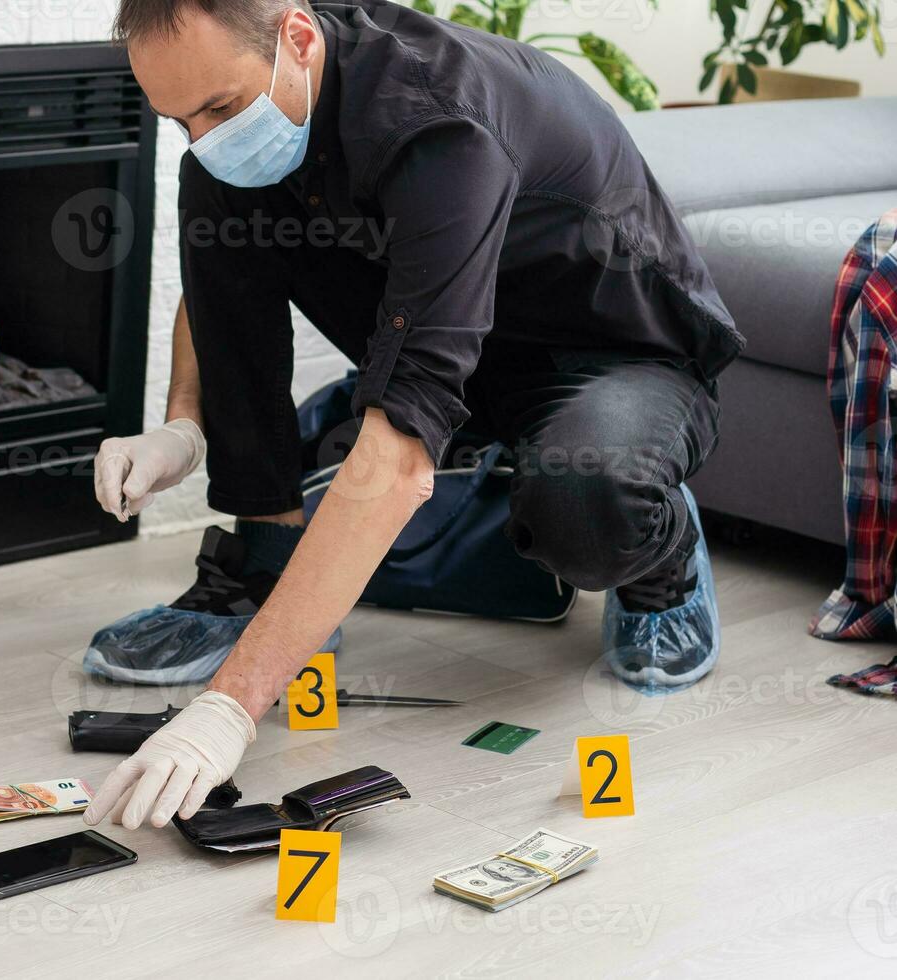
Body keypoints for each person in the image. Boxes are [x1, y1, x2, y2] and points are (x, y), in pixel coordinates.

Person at [82, 0, 742, 832]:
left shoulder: (438, 125)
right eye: (180, 120)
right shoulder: (231, 139)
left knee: (585, 500)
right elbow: (222, 294)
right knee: (328, 548)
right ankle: (256, 574)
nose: (205, 137)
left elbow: (392, 466)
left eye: (218, 108)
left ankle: (662, 558)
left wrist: (231, 707)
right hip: (442, 360)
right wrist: (183, 424)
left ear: (296, 36)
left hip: (607, 357)